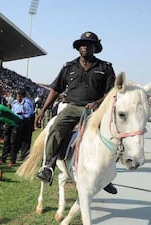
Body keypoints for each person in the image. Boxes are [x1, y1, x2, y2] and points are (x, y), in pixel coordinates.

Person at [35, 31, 117, 194]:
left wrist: (97, 103)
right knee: (56, 129)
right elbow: (56, 90)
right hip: (72, 107)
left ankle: (106, 176)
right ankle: (48, 167)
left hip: (96, 109)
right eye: (82, 45)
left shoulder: (105, 67)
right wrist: (43, 111)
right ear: (78, 48)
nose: (85, 47)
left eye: (89, 45)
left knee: (111, 136)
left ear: (95, 47)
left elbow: (111, 92)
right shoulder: (68, 67)